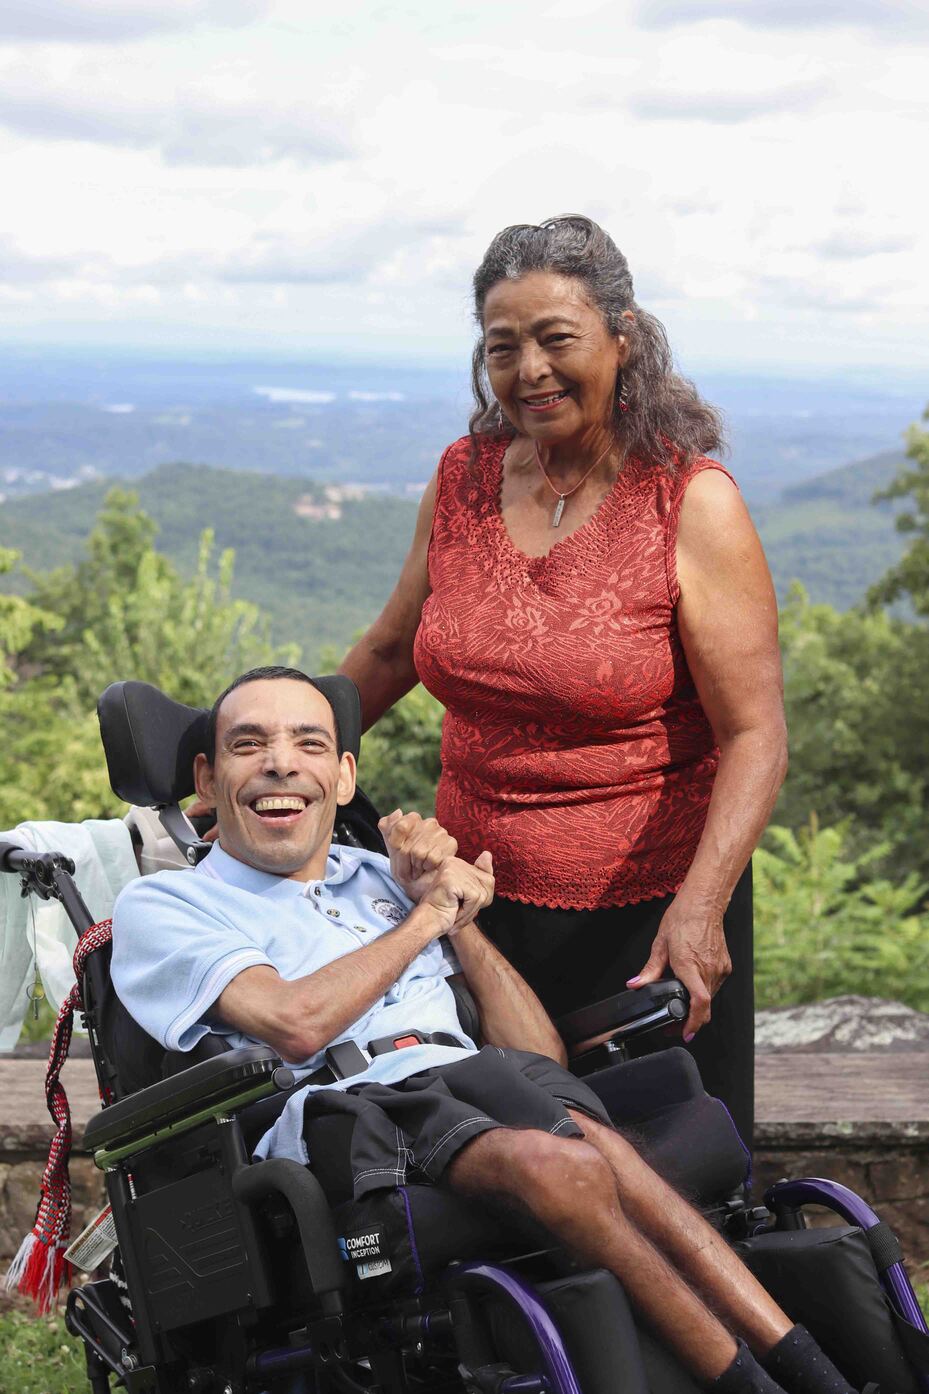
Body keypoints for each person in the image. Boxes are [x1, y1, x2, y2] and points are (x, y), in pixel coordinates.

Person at [111, 668, 854, 1394]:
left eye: (309, 743)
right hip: (346, 1105)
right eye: (249, 744)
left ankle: (810, 1371)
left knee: (596, 1146)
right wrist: (425, 920)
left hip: (476, 1078)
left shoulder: (380, 874)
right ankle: (748, 1383)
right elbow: (294, 1024)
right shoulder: (168, 904)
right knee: (562, 1163)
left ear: (342, 777)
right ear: (207, 779)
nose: (281, 763)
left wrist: (456, 916)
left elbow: (537, 1055)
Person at [339, 216, 788, 1150]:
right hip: (477, 904)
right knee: (516, 1171)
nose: (529, 370)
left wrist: (700, 909)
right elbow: (387, 654)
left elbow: (753, 733)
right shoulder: (462, 478)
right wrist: (273, 750)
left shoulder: (688, 500)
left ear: (622, 338)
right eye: (502, 347)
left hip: (647, 921)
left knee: (670, 1174)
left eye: (556, 338)